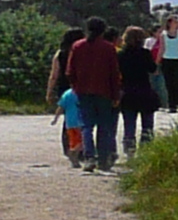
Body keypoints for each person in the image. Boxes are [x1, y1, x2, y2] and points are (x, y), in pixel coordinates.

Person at [64, 17, 123, 171]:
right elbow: (114, 74)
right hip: (104, 92)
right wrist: (116, 95)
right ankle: (103, 160)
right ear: (103, 30)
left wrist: (76, 87)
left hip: (83, 92)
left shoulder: (77, 46)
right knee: (104, 126)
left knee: (86, 126)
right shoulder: (109, 48)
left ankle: (89, 158)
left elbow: (70, 72)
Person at [115, 27, 161, 157]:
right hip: (144, 90)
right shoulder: (145, 53)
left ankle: (129, 149)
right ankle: (146, 150)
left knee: (129, 123)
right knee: (147, 124)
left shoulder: (120, 55)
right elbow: (153, 69)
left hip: (127, 91)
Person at [156, 14, 178, 111]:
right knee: (169, 83)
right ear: (169, 23)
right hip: (167, 60)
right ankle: (172, 104)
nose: (177, 24)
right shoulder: (163, 34)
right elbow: (162, 48)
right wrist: (157, 62)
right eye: (175, 22)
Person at [57, 80, 90, 167]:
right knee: (82, 141)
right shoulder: (81, 94)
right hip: (79, 121)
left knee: (73, 141)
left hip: (69, 123)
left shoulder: (66, 94)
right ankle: (72, 153)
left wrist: (56, 118)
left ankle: (74, 161)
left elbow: (60, 107)